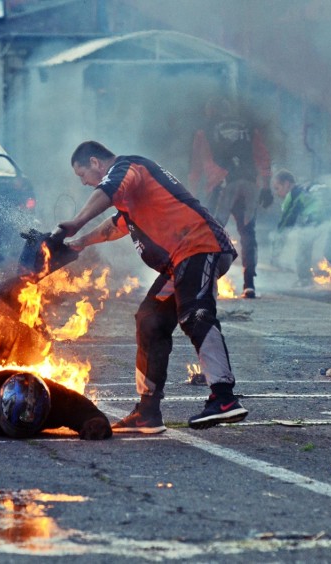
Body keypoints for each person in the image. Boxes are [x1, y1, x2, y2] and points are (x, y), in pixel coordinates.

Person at [53, 141, 249, 433]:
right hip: (179, 261)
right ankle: (147, 412)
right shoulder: (129, 197)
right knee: (149, 320)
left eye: (83, 175)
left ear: (95, 162)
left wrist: (77, 222)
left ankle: (223, 399)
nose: (84, 183)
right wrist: (81, 242)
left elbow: (106, 191)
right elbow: (117, 224)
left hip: (200, 245)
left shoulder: (128, 166)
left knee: (195, 314)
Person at [188, 97, 273, 298]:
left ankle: (208, 282)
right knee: (248, 234)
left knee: (212, 232)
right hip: (249, 184)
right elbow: (262, 156)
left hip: (222, 185)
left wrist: (191, 196)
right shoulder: (249, 128)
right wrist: (267, 186)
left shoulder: (205, 130)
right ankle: (249, 284)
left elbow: (197, 166)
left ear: (212, 110)